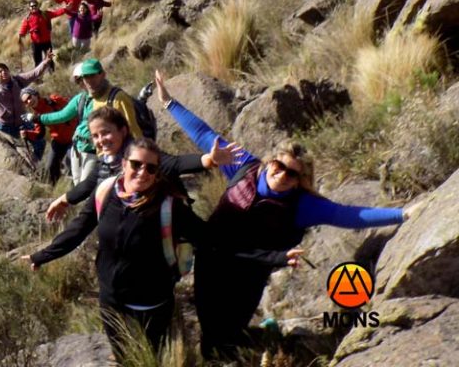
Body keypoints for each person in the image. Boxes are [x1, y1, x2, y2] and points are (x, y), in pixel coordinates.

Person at [154, 70, 408, 359]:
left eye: (292, 173)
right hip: (211, 261)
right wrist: (168, 103)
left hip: (248, 275)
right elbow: (203, 134)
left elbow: (351, 215)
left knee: (225, 335)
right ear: (269, 160)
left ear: (301, 179)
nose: (282, 175)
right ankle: (261, 338)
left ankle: (253, 347)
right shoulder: (244, 167)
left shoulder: (302, 205)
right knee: (210, 328)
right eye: (279, 166)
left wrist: (403, 214)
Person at [24, 138, 279, 360]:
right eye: (136, 164)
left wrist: (273, 256)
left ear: (157, 173)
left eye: (151, 168)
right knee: (125, 357)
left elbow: (216, 243)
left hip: (151, 304)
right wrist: (41, 256)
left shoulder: (170, 207)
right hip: (111, 301)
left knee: (151, 358)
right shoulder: (105, 192)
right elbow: (77, 230)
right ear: (124, 164)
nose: (142, 172)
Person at [45, 104, 240, 222]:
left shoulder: (139, 154)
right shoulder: (106, 160)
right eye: (95, 135)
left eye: (106, 132)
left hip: (160, 228)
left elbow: (174, 163)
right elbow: (89, 185)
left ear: (123, 130)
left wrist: (209, 160)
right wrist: (63, 200)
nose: (100, 140)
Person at [34, 58, 148, 184]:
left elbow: (132, 129)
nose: (87, 81)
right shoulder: (82, 99)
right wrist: (39, 118)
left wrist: (141, 158)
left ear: (102, 74)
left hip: (96, 151)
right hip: (78, 148)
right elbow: (63, 115)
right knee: (78, 185)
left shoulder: (115, 98)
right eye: (84, 78)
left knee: (86, 187)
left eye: (92, 76)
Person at [0, 51, 53, 139]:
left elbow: (34, 73)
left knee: (39, 142)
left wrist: (45, 62)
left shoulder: (18, 80)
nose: (3, 72)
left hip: (22, 121)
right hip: (4, 126)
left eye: (5, 70)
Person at [20, 87, 75, 184]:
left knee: (70, 162)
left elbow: (72, 108)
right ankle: (56, 189)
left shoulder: (54, 100)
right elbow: (40, 134)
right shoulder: (36, 115)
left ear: (35, 94)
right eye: (25, 101)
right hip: (58, 141)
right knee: (50, 167)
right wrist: (27, 134)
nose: (29, 101)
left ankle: (74, 188)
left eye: (29, 97)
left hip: (73, 138)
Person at [18, 1, 59, 71]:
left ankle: (52, 74)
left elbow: (56, 13)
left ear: (38, 6)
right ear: (29, 8)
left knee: (49, 59)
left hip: (46, 42)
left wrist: (65, 9)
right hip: (36, 43)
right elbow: (23, 29)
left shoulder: (45, 14)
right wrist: (21, 34)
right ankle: (38, 76)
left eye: (35, 5)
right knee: (37, 61)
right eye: (32, 6)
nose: (34, 7)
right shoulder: (28, 19)